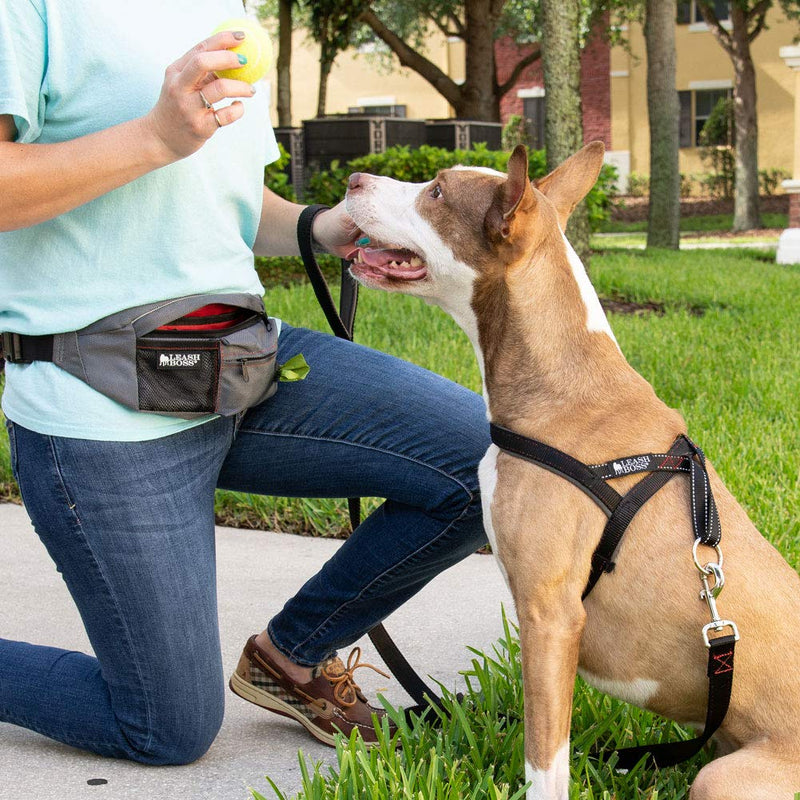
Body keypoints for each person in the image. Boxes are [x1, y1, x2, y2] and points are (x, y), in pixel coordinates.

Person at [0, 0, 489, 766]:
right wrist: (152, 136)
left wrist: (322, 226)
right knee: (165, 727)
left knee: (484, 465)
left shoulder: (223, 6)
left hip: (235, 364)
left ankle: (293, 658)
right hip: (100, 407)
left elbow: (218, 197)